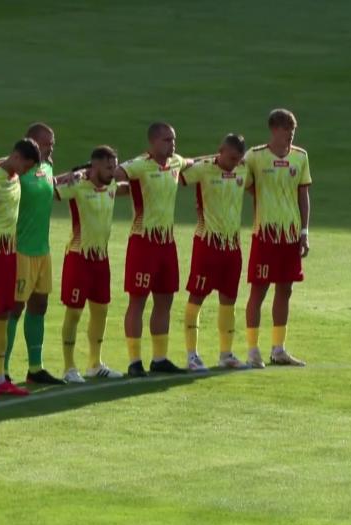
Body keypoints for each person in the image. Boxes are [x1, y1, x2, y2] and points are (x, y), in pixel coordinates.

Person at [113, 122, 194, 377]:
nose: (172, 144)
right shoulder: (139, 164)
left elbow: (191, 162)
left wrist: (221, 159)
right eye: (167, 140)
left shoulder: (175, 162)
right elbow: (116, 174)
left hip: (166, 243)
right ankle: (134, 361)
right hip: (143, 242)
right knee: (138, 300)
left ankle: (160, 358)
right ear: (153, 143)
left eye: (174, 139)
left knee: (165, 299)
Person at [243, 108, 312, 368]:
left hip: (291, 236)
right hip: (265, 234)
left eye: (293, 132)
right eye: (287, 131)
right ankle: (252, 350)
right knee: (258, 290)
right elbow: (245, 183)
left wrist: (304, 232)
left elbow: (303, 195)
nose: (291, 137)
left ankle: (278, 349)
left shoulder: (300, 157)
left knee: (286, 289)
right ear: (274, 130)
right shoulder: (256, 156)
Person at [0, 139, 42, 400]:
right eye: (25, 165)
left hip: (8, 254)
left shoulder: (12, 174)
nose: (25, 171)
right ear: (16, 156)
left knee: (3, 313)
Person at [55, 145, 129, 382]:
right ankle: (69, 368)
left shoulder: (112, 187)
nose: (113, 171)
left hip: (101, 259)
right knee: (74, 313)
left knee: (101, 311)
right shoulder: (77, 186)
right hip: (79, 257)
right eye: (108, 167)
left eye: (115, 166)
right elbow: (52, 191)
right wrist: (68, 176)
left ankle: (95, 364)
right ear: (94, 165)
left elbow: (129, 186)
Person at [180, 134, 250, 371]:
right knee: (197, 297)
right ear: (220, 151)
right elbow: (177, 177)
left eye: (238, 159)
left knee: (229, 299)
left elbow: (256, 183)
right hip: (207, 244)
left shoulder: (243, 170)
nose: (234, 163)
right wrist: (194, 160)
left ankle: (226, 354)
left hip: (232, 246)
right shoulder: (203, 170)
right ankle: (192, 355)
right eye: (231, 158)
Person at [4, 123, 65, 386]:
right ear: (30, 142)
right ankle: (2, 370)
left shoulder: (47, 166)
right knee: (14, 309)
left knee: (39, 305)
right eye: (45, 142)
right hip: (21, 251)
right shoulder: (18, 171)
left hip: (43, 250)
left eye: (52, 143)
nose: (50, 147)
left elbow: (49, 188)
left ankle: (35, 368)